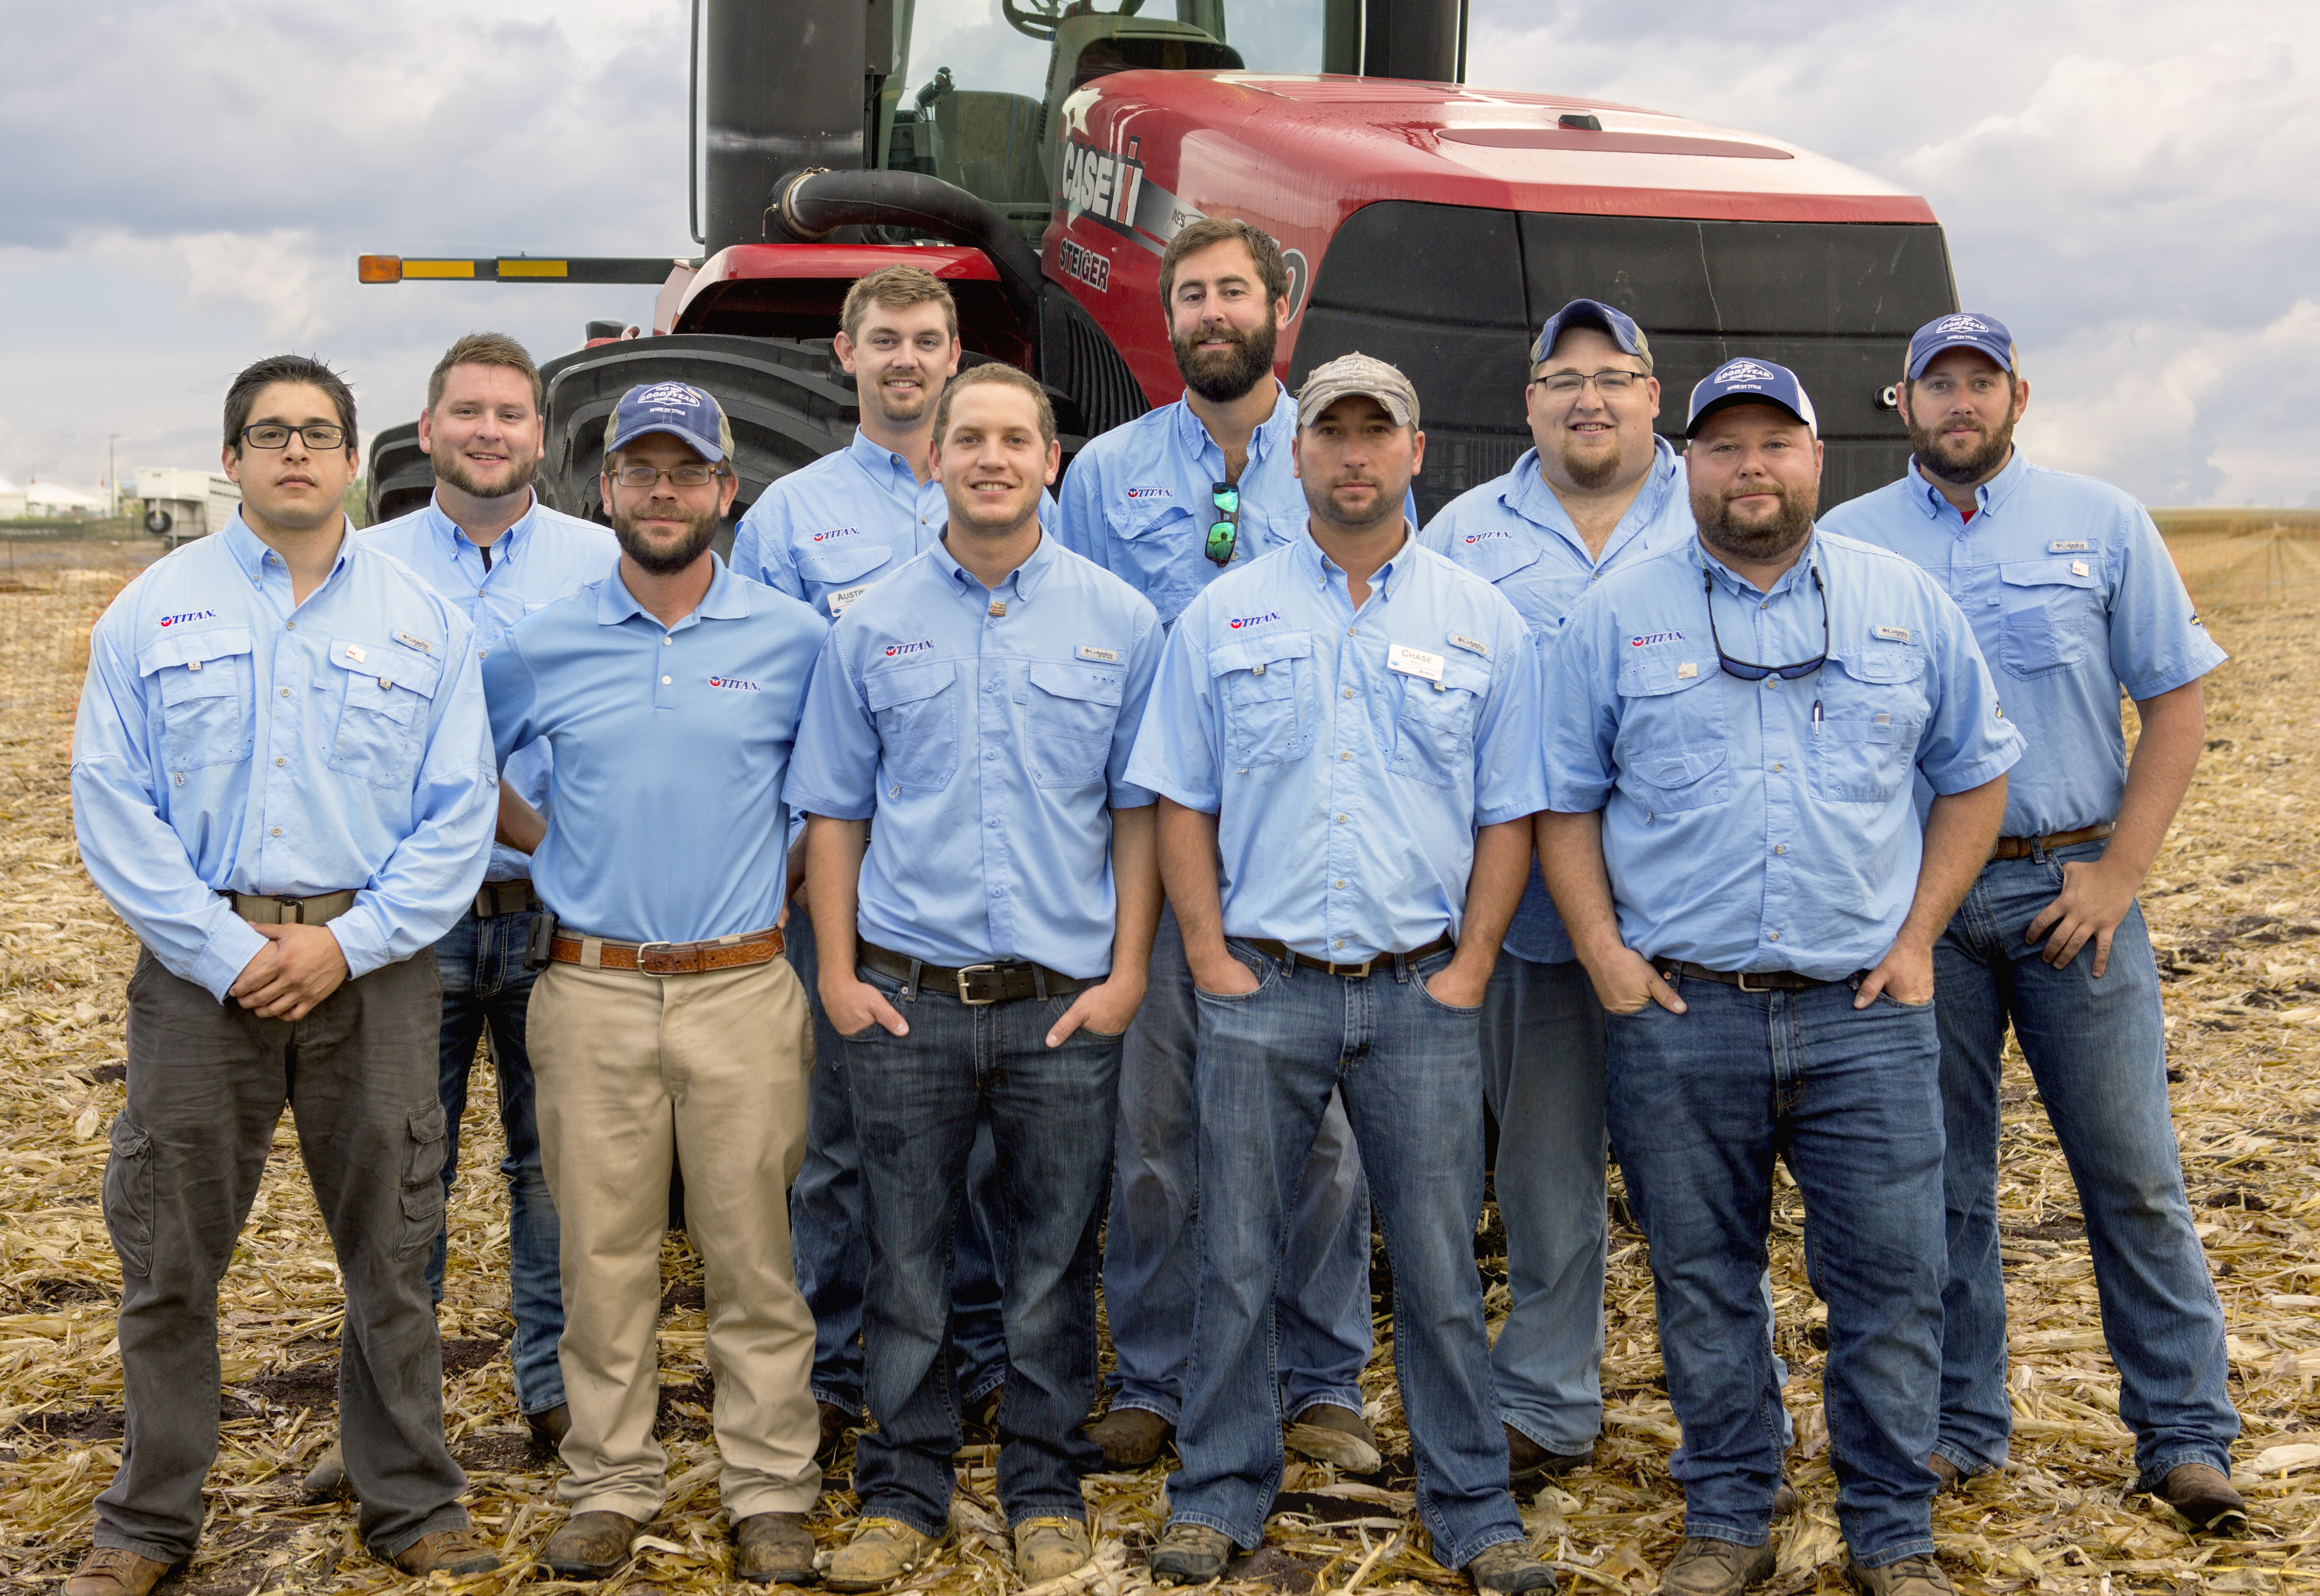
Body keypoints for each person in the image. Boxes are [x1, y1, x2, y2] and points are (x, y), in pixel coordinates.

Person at [1538, 358, 2023, 1596]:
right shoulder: (1619, 616)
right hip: (1683, 1013)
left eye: (1774, 445)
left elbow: (1976, 773)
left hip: (1863, 1014)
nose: (1749, 468)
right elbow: (1563, 800)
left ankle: (1889, 1530)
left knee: (1891, 1280)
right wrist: (1602, 952)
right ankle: (1729, 1513)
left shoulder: (1902, 604)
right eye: (1721, 448)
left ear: (1816, 459)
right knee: (1703, 1279)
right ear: (1685, 464)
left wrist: (1918, 937)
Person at [67, 355, 503, 1593]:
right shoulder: (151, 612)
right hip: (203, 980)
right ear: (234, 460)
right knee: (168, 1260)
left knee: (395, 1253)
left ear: (355, 458)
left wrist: (344, 943)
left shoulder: (426, 619)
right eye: (270, 435)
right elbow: (114, 808)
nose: (295, 454)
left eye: (318, 434)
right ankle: (147, 1521)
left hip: (374, 971)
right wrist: (225, 950)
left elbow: (457, 815)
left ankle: (410, 1502)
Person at [1128, 354, 1556, 1596]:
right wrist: (1207, 955)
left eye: (1379, 433)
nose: (1354, 454)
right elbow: (1179, 800)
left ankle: (1472, 1509)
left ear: (1417, 453)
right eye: (1332, 434)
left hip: (1420, 994)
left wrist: (1472, 964)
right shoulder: (1227, 616)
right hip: (1264, 985)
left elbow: (1508, 814)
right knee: (1236, 1252)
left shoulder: (1480, 621)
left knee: (1432, 1260)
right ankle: (1218, 1492)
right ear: (1299, 457)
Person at [1820, 313, 2242, 1527]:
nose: (1959, 403)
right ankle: (1961, 1427)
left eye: (1980, 383)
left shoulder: (2101, 521)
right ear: (1897, 403)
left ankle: (2181, 1434)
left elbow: (2172, 704)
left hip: (2071, 895)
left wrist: (2119, 871)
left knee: (2130, 1173)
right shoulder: (1848, 540)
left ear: (2018, 396)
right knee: (1937, 1182)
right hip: (1918, 912)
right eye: (1935, 384)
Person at [788, 361, 1163, 1590]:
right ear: (935, 459)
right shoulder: (873, 622)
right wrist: (838, 978)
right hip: (907, 1001)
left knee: (1053, 1264)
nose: (993, 457)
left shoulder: (1121, 620)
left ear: (1050, 461)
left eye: (1017, 437)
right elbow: (836, 814)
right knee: (904, 1257)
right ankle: (903, 1489)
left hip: (1063, 1006)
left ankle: (1043, 1486)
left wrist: (1122, 979)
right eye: (971, 439)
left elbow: (1137, 817)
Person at [482, 382, 829, 1584]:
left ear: (726, 493)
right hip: (591, 990)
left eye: (688, 472)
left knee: (754, 1257)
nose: (665, 491)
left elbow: (839, 799)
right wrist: (548, 847)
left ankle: (771, 1487)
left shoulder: (793, 641)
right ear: (607, 491)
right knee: (602, 1255)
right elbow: (451, 766)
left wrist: (781, 881)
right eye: (642, 471)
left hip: (742, 986)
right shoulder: (540, 644)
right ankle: (610, 1482)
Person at [1058, 217, 1377, 1473]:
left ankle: (1319, 1386)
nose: (1209, 312)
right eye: (1188, 295)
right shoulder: (1105, 477)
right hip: (1154, 849)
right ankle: (1154, 1375)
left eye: (1230, 290)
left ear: (1276, 308)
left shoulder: (1341, 458)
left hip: (1309, 857)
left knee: (1321, 1147)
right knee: (1155, 1140)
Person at [286, 334, 615, 1499]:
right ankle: (383, 1426)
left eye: (510, 415)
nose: (489, 432)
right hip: (402, 924)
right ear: (424, 433)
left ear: (542, 437)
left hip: (549, 914)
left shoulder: (599, 562)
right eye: (466, 412)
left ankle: (555, 1398)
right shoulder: (356, 564)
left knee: (555, 1169)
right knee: (395, 1177)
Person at [729, 265, 1023, 1458]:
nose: (905, 359)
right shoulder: (789, 519)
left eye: (928, 340)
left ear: (956, 357)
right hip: (846, 887)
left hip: (989, 888)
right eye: (884, 340)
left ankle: (986, 1358)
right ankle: (837, 1365)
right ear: (844, 355)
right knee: (842, 1142)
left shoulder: (997, 488)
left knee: (995, 1142)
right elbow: (750, 698)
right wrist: (796, 859)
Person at [1419, 297, 1694, 1490]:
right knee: (1542, 1174)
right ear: (1527, 402)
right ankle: (1547, 1397)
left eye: (1614, 374)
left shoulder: (1723, 512)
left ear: (1652, 396)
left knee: (1704, 1186)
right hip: (1529, 915)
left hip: (1694, 915)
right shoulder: (1466, 533)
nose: (1589, 396)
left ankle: (1728, 1418)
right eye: (1563, 377)